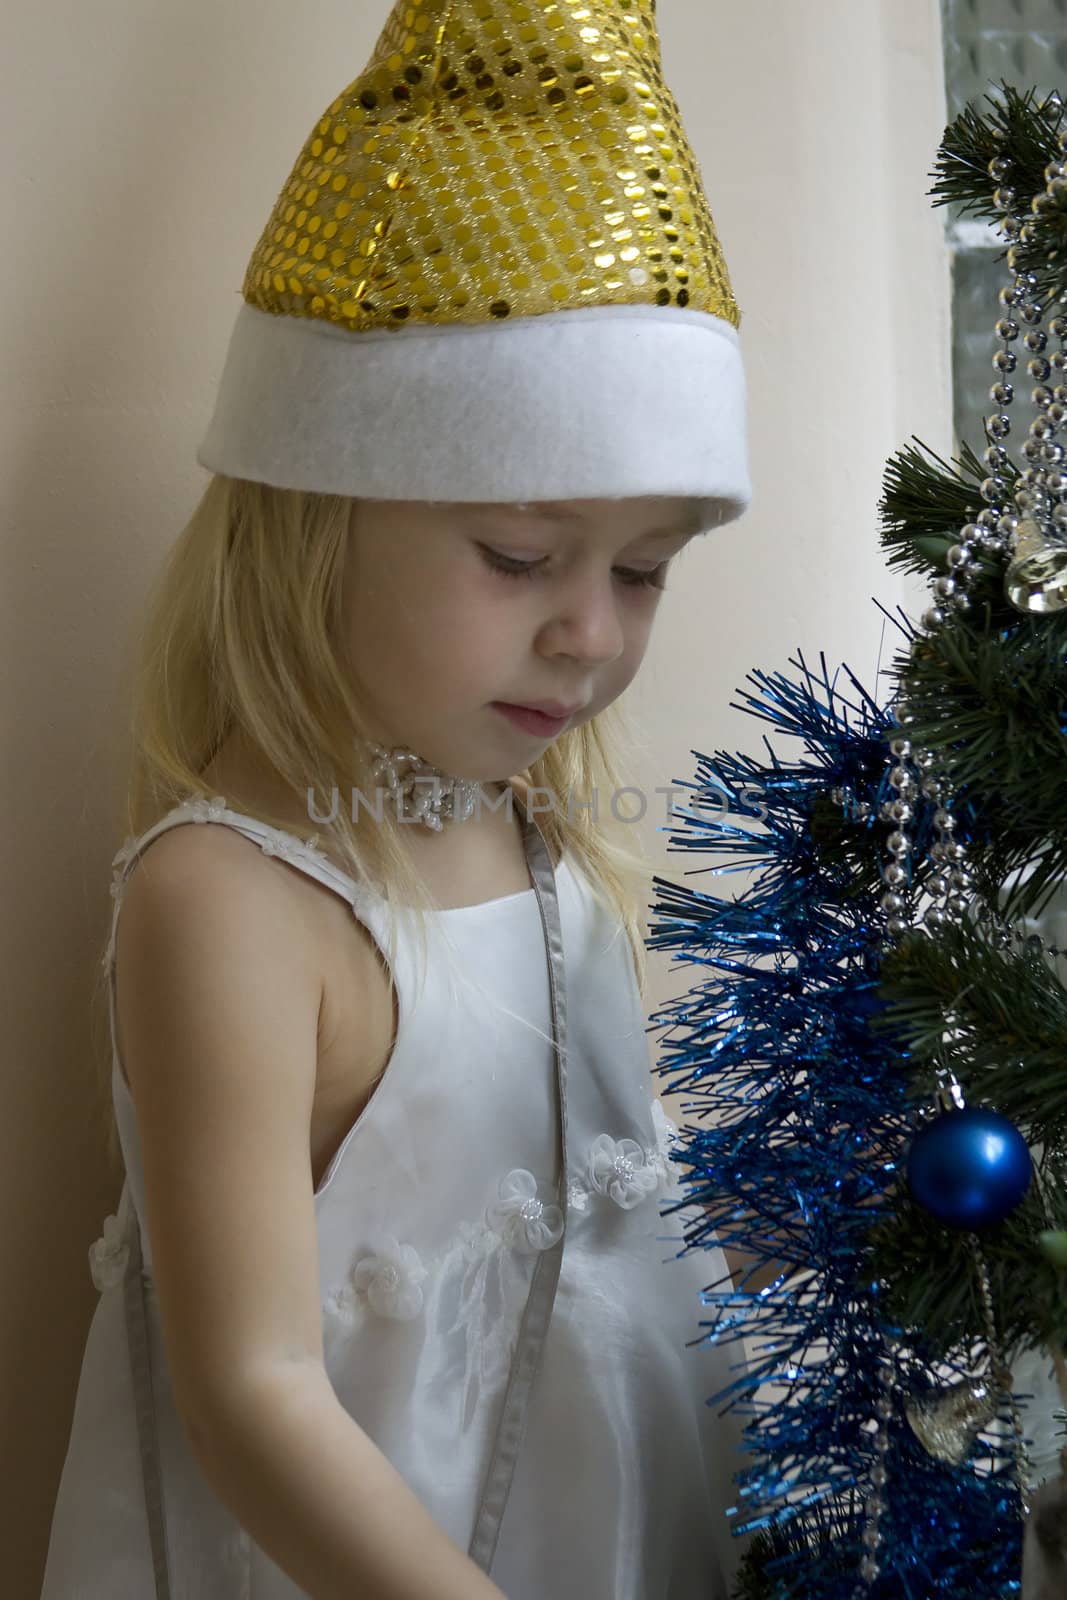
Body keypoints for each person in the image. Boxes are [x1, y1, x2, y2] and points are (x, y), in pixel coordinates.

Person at [40, 1, 752, 1596]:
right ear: (317, 514)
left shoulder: (536, 816)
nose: (590, 629)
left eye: (643, 571)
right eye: (520, 557)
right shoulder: (232, 899)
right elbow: (253, 1395)